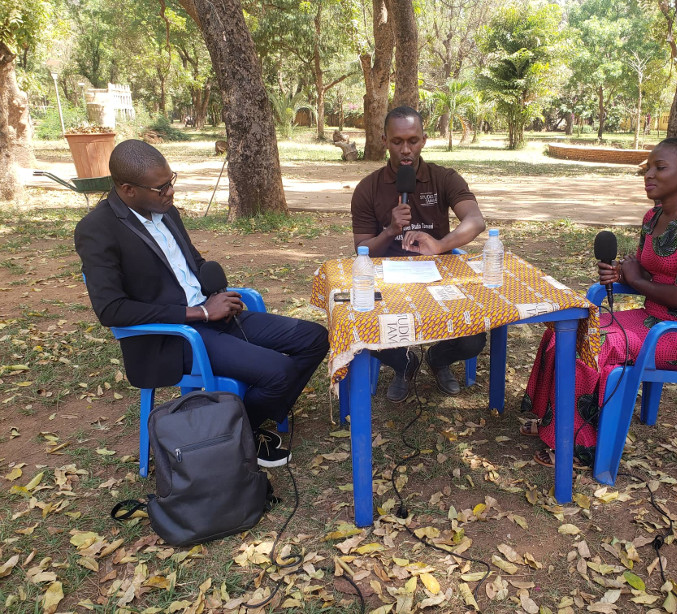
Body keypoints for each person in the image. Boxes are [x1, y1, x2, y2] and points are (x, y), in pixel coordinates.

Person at [75, 140, 329, 468]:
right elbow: (111, 309)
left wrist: (213, 298)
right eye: (161, 187)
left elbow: (191, 263)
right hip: (172, 336)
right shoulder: (97, 230)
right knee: (278, 372)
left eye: (172, 181)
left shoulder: (165, 212)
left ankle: (245, 424)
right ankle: (237, 436)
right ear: (128, 189)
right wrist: (199, 312)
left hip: (211, 315)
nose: (171, 192)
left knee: (314, 338)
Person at [521, 138, 677, 466]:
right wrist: (623, 273)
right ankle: (555, 422)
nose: (649, 174)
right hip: (650, 319)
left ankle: (577, 443)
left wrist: (637, 280)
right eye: (648, 167)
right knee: (565, 328)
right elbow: (651, 270)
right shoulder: (653, 216)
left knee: (590, 343)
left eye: (660, 167)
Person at [350, 106, 487, 402]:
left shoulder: (444, 178)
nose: (405, 149)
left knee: (475, 337)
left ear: (424, 140)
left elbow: (476, 221)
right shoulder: (367, 188)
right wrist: (388, 230)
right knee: (360, 325)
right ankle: (405, 363)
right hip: (387, 281)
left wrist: (439, 245)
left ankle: (438, 358)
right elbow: (361, 249)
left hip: (439, 275)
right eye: (397, 141)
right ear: (385, 141)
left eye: (412, 140)